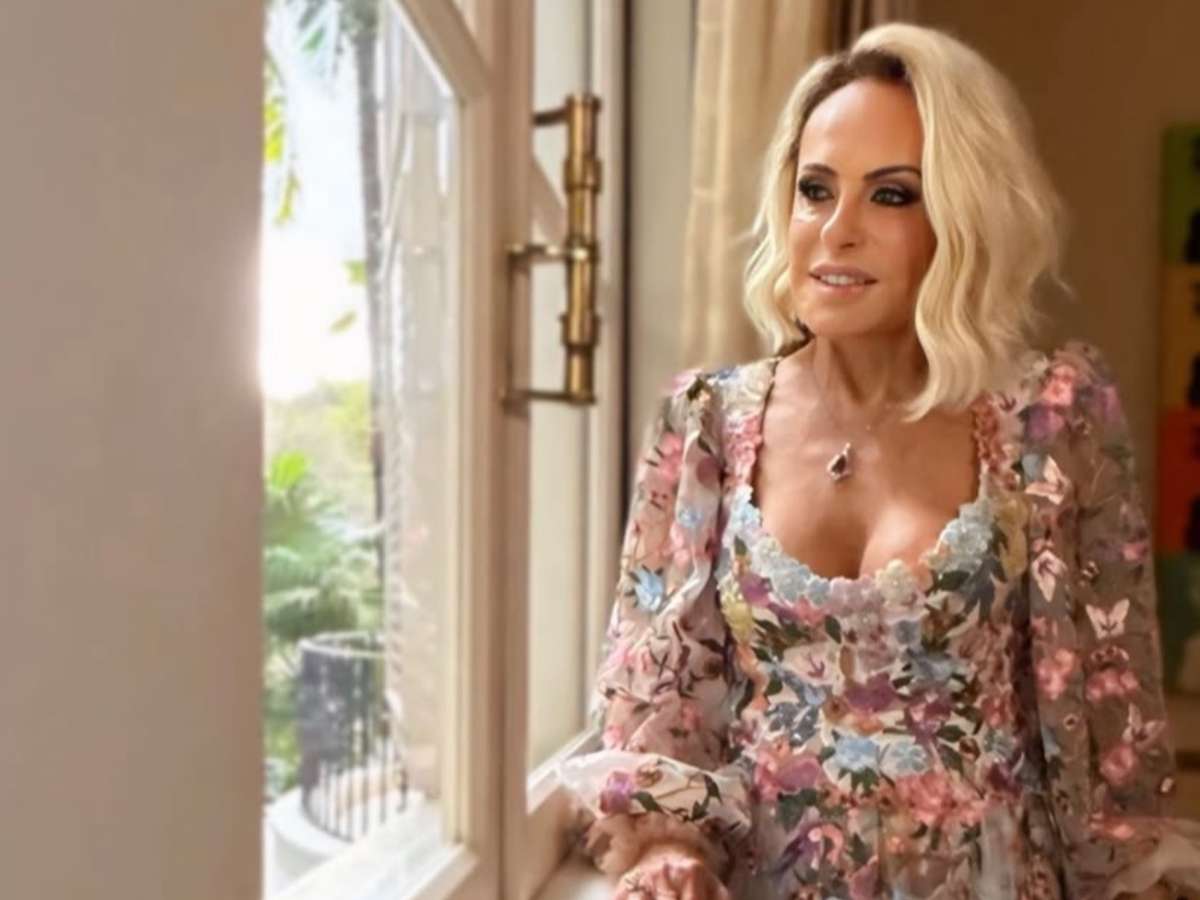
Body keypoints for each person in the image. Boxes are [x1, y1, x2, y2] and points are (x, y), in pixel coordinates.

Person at [555, 20, 1200, 900]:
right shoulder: (707, 425)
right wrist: (671, 854)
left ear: (962, 218)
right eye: (815, 190)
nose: (837, 230)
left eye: (891, 195)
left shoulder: (1049, 418)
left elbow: (1112, 725)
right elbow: (657, 703)